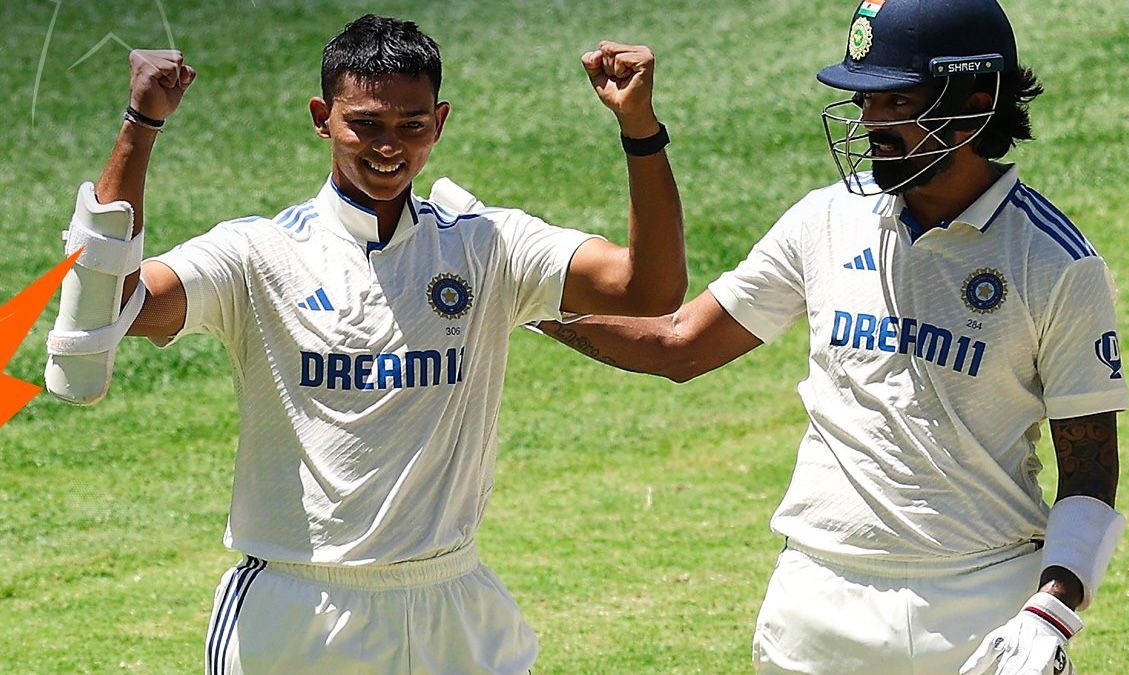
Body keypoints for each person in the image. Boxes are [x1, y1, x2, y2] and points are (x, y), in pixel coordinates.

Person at [55, 15, 685, 674]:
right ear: (322, 117)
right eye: (366, 124)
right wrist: (140, 125)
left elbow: (650, 288)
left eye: (411, 126)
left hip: (453, 602)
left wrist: (640, 129)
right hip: (302, 611)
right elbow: (119, 302)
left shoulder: (487, 245)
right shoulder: (258, 254)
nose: (389, 146)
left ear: (439, 122)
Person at [535, 1, 1127, 673]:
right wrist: (521, 297)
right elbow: (679, 343)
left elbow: (1090, 471)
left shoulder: (1057, 263)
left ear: (976, 97)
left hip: (980, 604)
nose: (870, 121)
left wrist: (1051, 609)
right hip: (818, 602)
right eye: (863, 99)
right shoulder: (826, 218)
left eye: (895, 99)